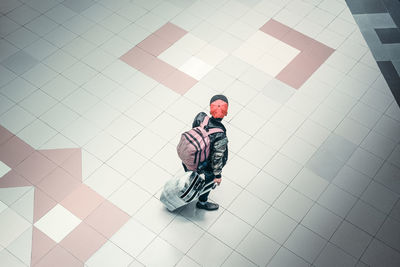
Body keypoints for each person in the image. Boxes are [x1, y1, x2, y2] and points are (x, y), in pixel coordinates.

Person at [191, 95, 229, 211]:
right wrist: (217, 176)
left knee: (193, 173)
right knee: (209, 180)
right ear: (226, 113)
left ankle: (191, 182)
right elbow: (217, 158)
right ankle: (202, 202)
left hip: (193, 155)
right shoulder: (220, 135)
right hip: (207, 163)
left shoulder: (200, 117)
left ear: (210, 109)